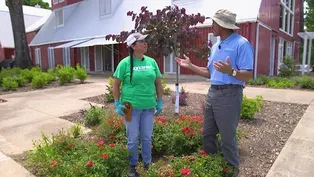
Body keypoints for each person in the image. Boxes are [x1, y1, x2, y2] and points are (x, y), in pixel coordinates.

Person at [176, 9, 254, 176]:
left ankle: (232, 172)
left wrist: (231, 72)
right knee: (208, 135)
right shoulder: (217, 45)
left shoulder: (241, 43)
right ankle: (214, 168)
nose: (212, 25)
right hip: (213, 93)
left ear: (223, 25)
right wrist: (190, 66)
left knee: (227, 139)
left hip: (230, 95)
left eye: (215, 23)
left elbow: (248, 74)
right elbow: (209, 72)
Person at [112, 32, 163, 177]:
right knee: (133, 139)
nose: (145, 43)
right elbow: (116, 84)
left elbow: (158, 83)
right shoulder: (124, 63)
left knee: (147, 137)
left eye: (145, 41)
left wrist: (159, 101)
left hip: (148, 107)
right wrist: (116, 103)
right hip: (129, 108)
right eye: (142, 41)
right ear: (133, 46)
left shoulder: (152, 62)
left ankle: (147, 163)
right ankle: (132, 166)